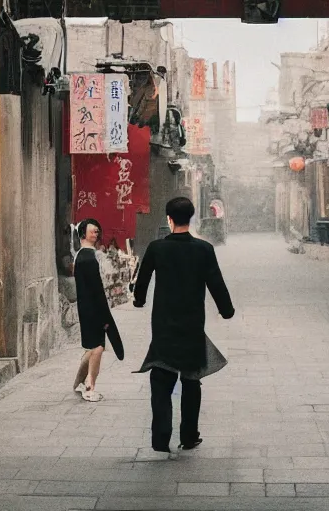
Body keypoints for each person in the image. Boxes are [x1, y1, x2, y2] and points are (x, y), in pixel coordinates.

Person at [132, 197, 235, 460]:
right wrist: (226, 310)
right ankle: (189, 436)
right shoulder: (203, 249)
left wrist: (139, 300)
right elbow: (216, 283)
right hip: (192, 325)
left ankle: (160, 438)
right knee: (191, 381)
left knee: (161, 380)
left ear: (169, 219)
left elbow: (141, 281)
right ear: (190, 218)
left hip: (164, 325)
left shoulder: (157, 248)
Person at [72, 219, 124, 403]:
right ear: (83, 234)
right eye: (92, 231)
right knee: (98, 348)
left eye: (97, 231)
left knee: (92, 347)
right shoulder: (89, 258)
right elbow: (96, 290)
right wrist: (104, 314)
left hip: (86, 307)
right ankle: (89, 387)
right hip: (93, 309)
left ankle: (78, 382)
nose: (96, 234)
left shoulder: (82, 255)